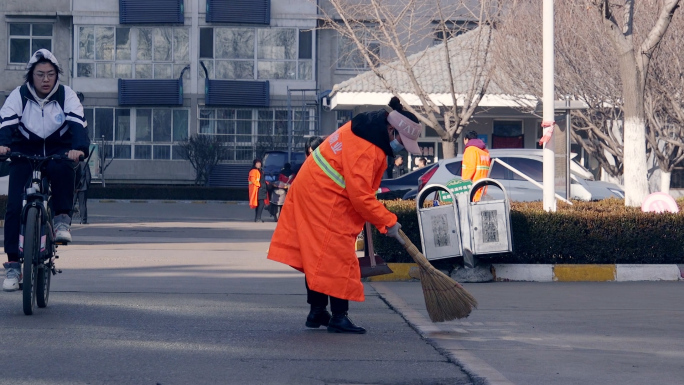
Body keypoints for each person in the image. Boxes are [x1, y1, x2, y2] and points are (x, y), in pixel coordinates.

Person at [267, 96, 423, 334]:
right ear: (392, 129)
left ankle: (318, 311)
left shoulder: (364, 129)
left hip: (312, 191)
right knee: (338, 256)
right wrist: (388, 222)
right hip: (323, 198)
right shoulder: (368, 149)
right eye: (402, 141)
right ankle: (339, 317)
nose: (402, 147)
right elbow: (361, 197)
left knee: (316, 254)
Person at [1, 49, 89, 292]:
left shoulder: (66, 95)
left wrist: (78, 149)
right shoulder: (18, 96)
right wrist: (3, 145)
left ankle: (62, 221)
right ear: (31, 75)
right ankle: (12, 267)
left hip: (56, 150)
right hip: (24, 152)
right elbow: (6, 122)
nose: (46, 79)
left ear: (56, 75)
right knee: (13, 207)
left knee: (63, 168)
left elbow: (77, 124)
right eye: (40, 74)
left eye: (50, 74)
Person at [461, 130, 491, 201]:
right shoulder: (485, 151)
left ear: (466, 139)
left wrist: (464, 183)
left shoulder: (470, 150)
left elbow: (470, 168)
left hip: (472, 186)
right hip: (483, 186)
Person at [248, 158, 267, 222]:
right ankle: (258, 218)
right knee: (261, 203)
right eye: (257, 163)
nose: (259, 164)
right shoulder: (254, 171)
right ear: (255, 164)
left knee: (259, 203)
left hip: (261, 189)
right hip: (258, 189)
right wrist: (259, 185)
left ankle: (257, 218)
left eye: (259, 163)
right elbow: (253, 180)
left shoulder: (260, 170)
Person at [74, 158, 92, 224]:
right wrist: (87, 185)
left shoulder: (73, 163)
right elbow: (88, 176)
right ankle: (83, 220)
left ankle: (68, 220)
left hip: (74, 188)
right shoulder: (85, 164)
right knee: (82, 205)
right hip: (83, 187)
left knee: (71, 204)